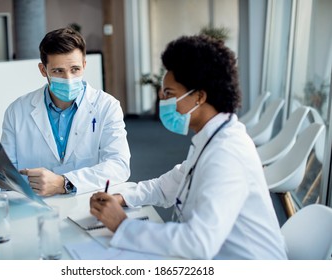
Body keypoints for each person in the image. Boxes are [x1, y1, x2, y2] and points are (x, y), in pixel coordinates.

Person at [89, 35, 288, 259]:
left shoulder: (227, 153)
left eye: (169, 94)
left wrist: (123, 225)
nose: (162, 101)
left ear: (199, 97)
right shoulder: (211, 138)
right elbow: (167, 186)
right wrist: (122, 197)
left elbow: (198, 243)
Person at [0, 27, 130, 196]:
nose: (68, 78)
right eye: (58, 71)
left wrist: (64, 183)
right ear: (43, 70)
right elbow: (9, 179)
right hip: (35, 208)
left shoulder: (107, 106)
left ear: (84, 65)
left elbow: (118, 166)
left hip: (87, 202)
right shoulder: (17, 111)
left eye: (75, 69)